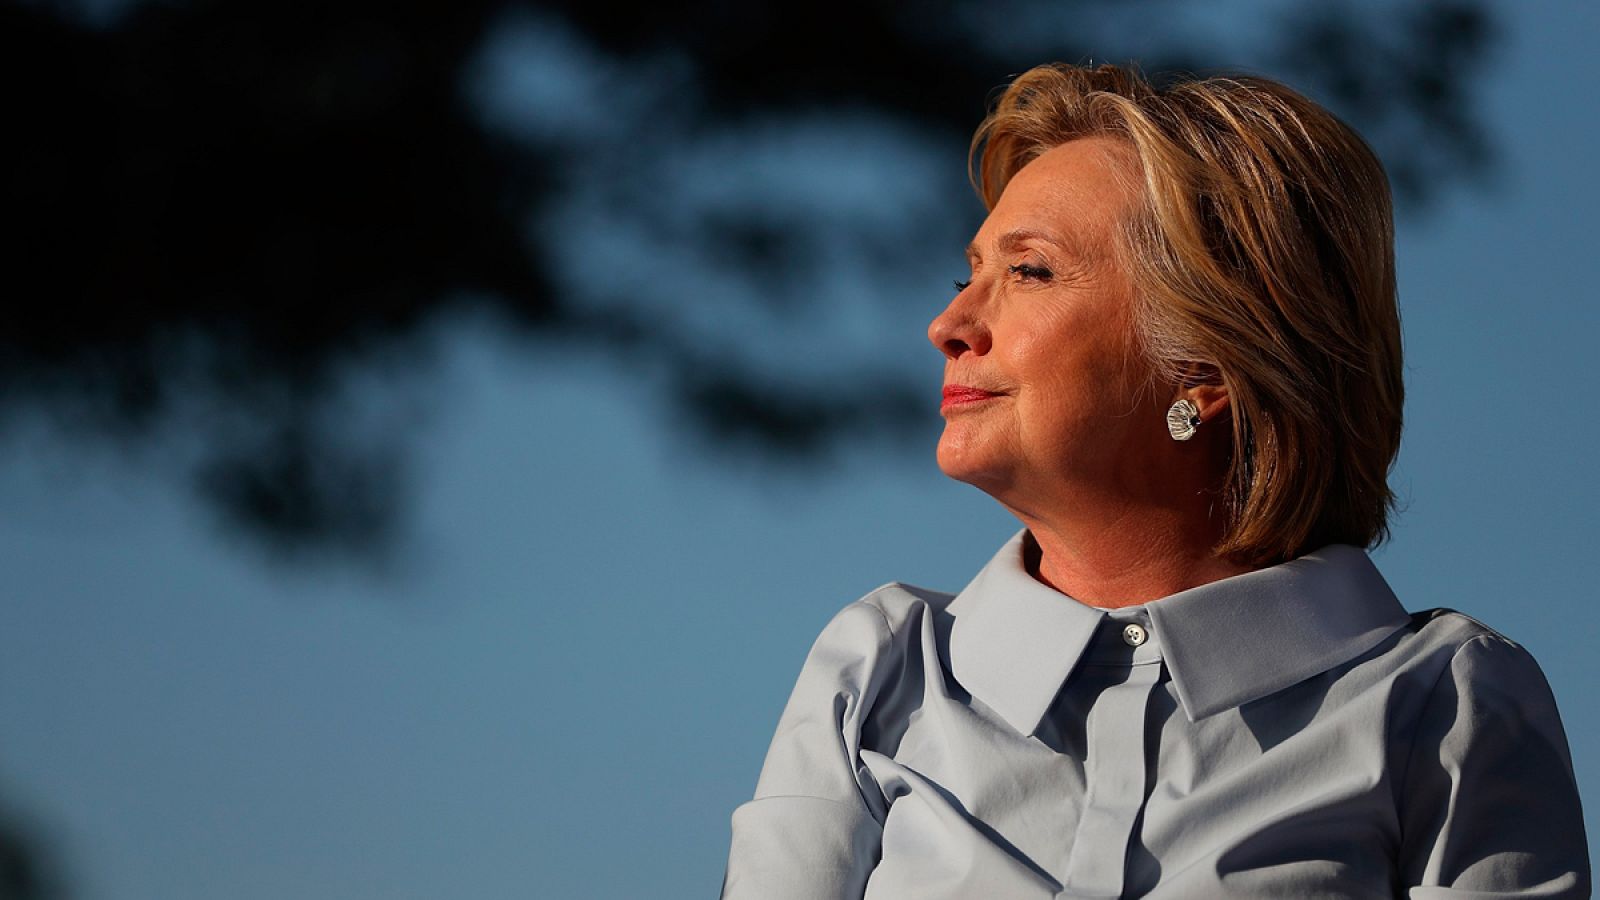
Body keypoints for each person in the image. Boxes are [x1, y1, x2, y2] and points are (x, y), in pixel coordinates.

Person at [720, 63, 1590, 899]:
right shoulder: (878, 669)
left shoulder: (1448, 704)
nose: (950, 324)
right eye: (969, 273)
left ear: (1208, 365)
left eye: (1028, 271)